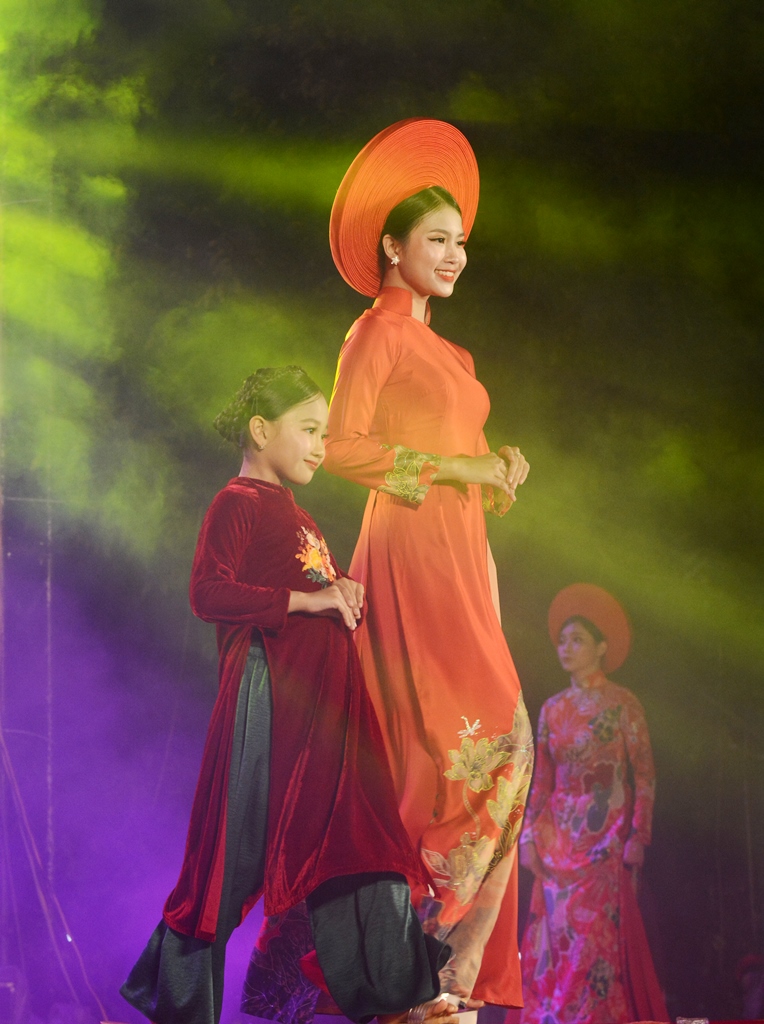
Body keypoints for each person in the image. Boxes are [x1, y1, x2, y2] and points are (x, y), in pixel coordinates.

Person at [120, 367, 455, 1024]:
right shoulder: (237, 502)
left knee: (361, 838)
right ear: (260, 429)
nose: (320, 448)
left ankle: (398, 996)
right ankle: (179, 1005)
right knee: (229, 861)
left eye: (325, 435)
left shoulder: (297, 515)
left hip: (325, 713)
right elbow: (207, 592)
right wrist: (312, 600)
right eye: (308, 430)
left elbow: (318, 586)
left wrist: (344, 590)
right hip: (268, 699)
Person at [298, 118, 531, 1011]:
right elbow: (341, 447)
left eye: (460, 242)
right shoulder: (374, 334)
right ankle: (418, 951)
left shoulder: (452, 354)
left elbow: (459, 458)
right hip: (409, 549)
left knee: (495, 750)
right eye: (437, 240)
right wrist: (462, 467)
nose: (455, 256)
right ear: (393, 248)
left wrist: (495, 470)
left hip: (464, 554)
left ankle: (448, 975)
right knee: (475, 747)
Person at [518, 583, 668, 1024]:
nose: (565, 648)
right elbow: (541, 781)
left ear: (601, 648)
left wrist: (639, 835)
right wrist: (527, 837)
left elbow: (645, 774)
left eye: (577, 640)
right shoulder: (552, 709)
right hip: (557, 842)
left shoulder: (623, 704)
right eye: (562, 640)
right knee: (556, 940)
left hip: (605, 841)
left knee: (596, 943)